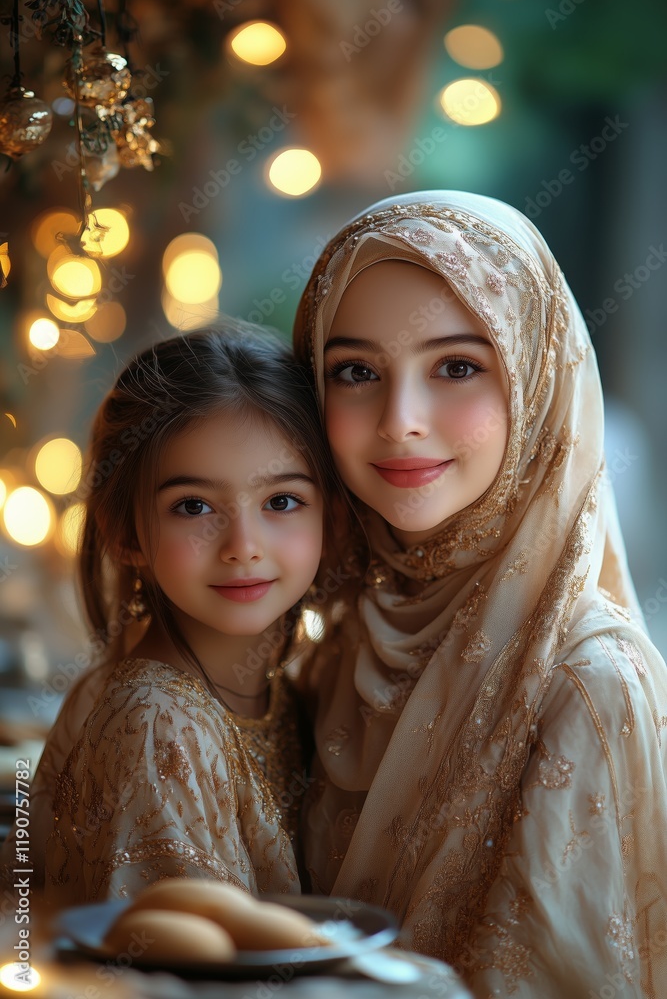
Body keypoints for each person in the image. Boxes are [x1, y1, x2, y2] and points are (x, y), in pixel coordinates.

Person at [292, 191, 667, 998]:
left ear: (538, 382)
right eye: (355, 372)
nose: (399, 420)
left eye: (457, 367)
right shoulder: (338, 638)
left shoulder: (587, 683)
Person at [1, 323, 343, 906]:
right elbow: (185, 949)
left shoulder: (286, 691)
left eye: (281, 501)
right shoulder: (159, 726)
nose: (243, 546)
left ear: (329, 518)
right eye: (193, 506)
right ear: (124, 532)